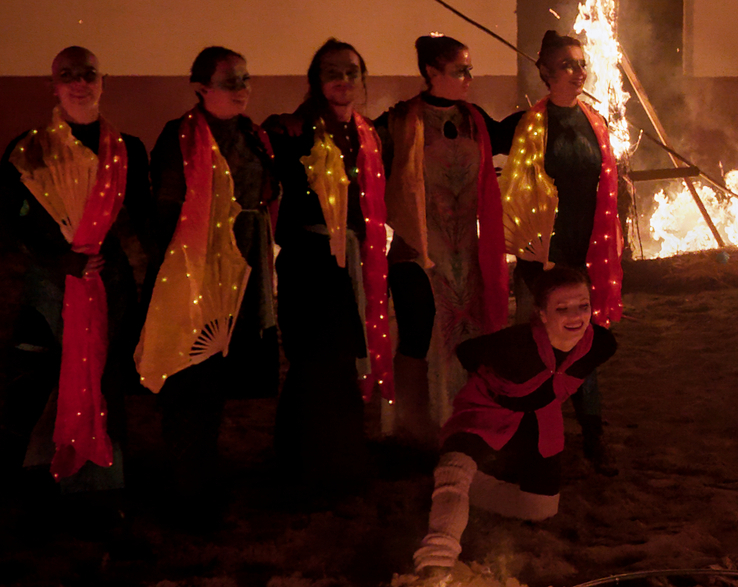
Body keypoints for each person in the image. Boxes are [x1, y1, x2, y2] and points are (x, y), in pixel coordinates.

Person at [0, 46, 151, 494]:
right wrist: (57, 258)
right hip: (50, 285)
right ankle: (34, 473)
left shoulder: (128, 150)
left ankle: (101, 482)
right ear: (53, 86)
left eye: (88, 74)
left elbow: (144, 219)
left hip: (107, 281)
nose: (79, 83)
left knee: (104, 379)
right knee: (38, 380)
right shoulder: (30, 149)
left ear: (103, 82)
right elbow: (3, 222)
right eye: (68, 75)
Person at [134, 47, 278, 527]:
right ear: (201, 88)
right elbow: (164, 212)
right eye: (229, 81)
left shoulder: (254, 136)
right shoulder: (181, 137)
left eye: (245, 79)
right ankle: (187, 487)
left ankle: (206, 473)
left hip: (243, 268)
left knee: (217, 380)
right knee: (189, 378)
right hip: (194, 271)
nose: (241, 89)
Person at [414, 266, 619, 570]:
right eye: (562, 308)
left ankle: (465, 486)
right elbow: (467, 352)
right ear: (542, 314)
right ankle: (436, 559)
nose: (575, 316)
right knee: (455, 469)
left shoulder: (600, 345)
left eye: (583, 305)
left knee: (541, 507)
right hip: (489, 407)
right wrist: (500, 383)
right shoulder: (515, 347)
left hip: (542, 415)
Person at [264, 38, 392, 503]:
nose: (343, 79)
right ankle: (313, 467)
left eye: (351, 71)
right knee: (317, 362)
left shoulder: (366, 134)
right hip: (309, 259)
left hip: (351, 259)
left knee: (339, 363)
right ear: (316, 80)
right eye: (332, 71)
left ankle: (331, 462)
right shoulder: (295, 131)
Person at [375, 34, 511, 451]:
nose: (469, 77)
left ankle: (466, 421)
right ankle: (415, 430)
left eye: (470, 69)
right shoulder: (401, 121)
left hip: (466, 256)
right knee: (420, 337)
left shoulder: (473, 119)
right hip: (419, 252)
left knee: (468, 336)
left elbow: (510, 137)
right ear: (432, 72)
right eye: (460, 70)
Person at [497, 30, 623, 473]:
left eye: (581, 63)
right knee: (538, 349)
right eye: (567, 64)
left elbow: (604, 189)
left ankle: (593, 436)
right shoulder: (531, 125)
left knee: (583, 346)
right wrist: (533, 253)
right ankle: (528, 438)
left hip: (584, 253)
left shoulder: (594, 121)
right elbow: (516, 190)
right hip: (544, 256)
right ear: (546, 72)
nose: (577, 71)